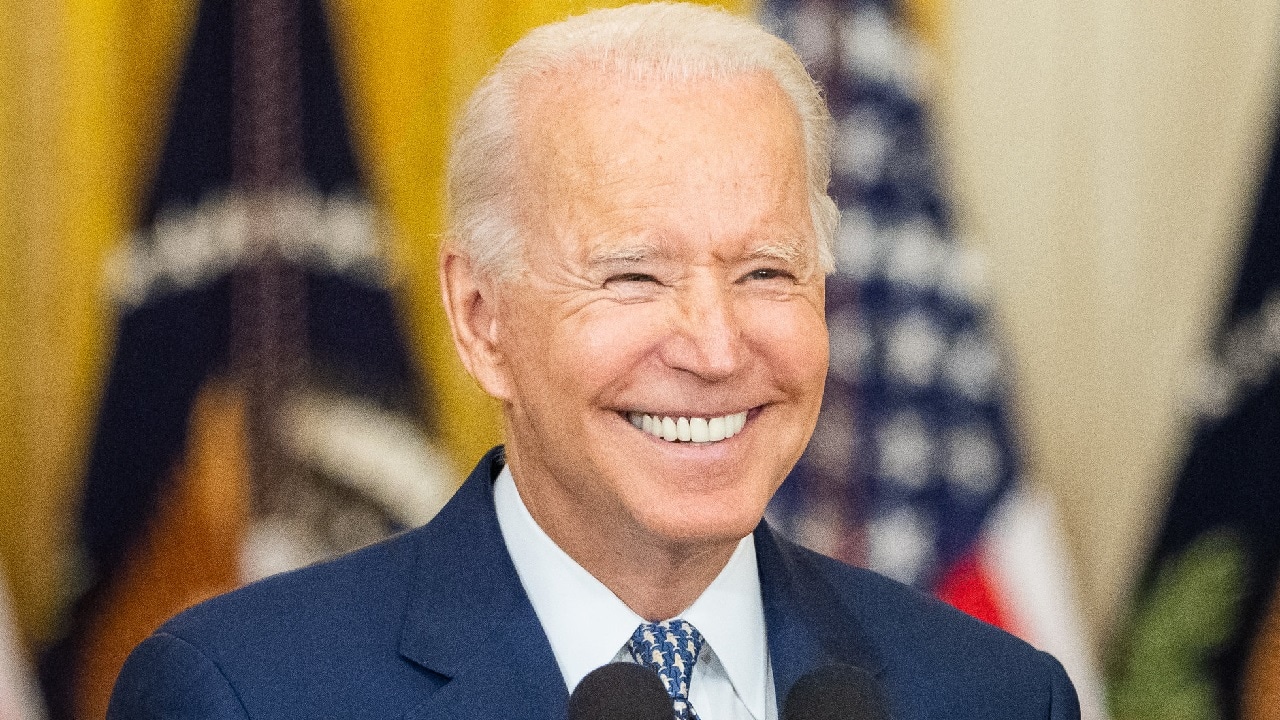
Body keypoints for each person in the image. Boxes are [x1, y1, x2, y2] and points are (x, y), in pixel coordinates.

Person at [108, 4, 1080, 719]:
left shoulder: (993, 696)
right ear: (481, 318)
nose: (712, 345)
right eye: (632, 278)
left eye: (766, 271)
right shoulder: (242, 693)